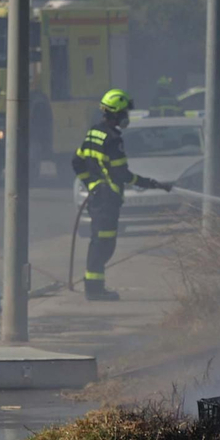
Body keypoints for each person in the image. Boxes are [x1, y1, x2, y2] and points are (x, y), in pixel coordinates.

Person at [72, 88, 172, 301]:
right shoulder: (113, 139)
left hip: (98, 198)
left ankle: (94, 287)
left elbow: (77, 161)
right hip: (107, 201)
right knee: (104, 245)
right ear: (116, 114)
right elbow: (122, 174)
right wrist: (149, 183)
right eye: (124, 112)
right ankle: (95, 290)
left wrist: (91, 184)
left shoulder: (94, 132)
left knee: (98, 242)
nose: (127, 116)